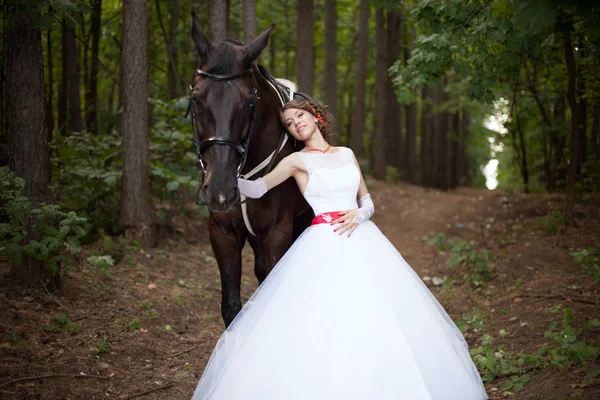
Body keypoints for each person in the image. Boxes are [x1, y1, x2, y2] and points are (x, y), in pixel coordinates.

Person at [191, 99, 488, 400]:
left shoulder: (346, 154)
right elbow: (258, 188)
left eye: (300, 116)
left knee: (376, 309)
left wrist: (358, 214)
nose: (296, 123)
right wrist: (227, 178)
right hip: (322, 242)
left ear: (316, 116)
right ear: (291, 133)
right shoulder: (296, 162)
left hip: (363, 239)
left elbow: (367, 201)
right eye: (290, 124)